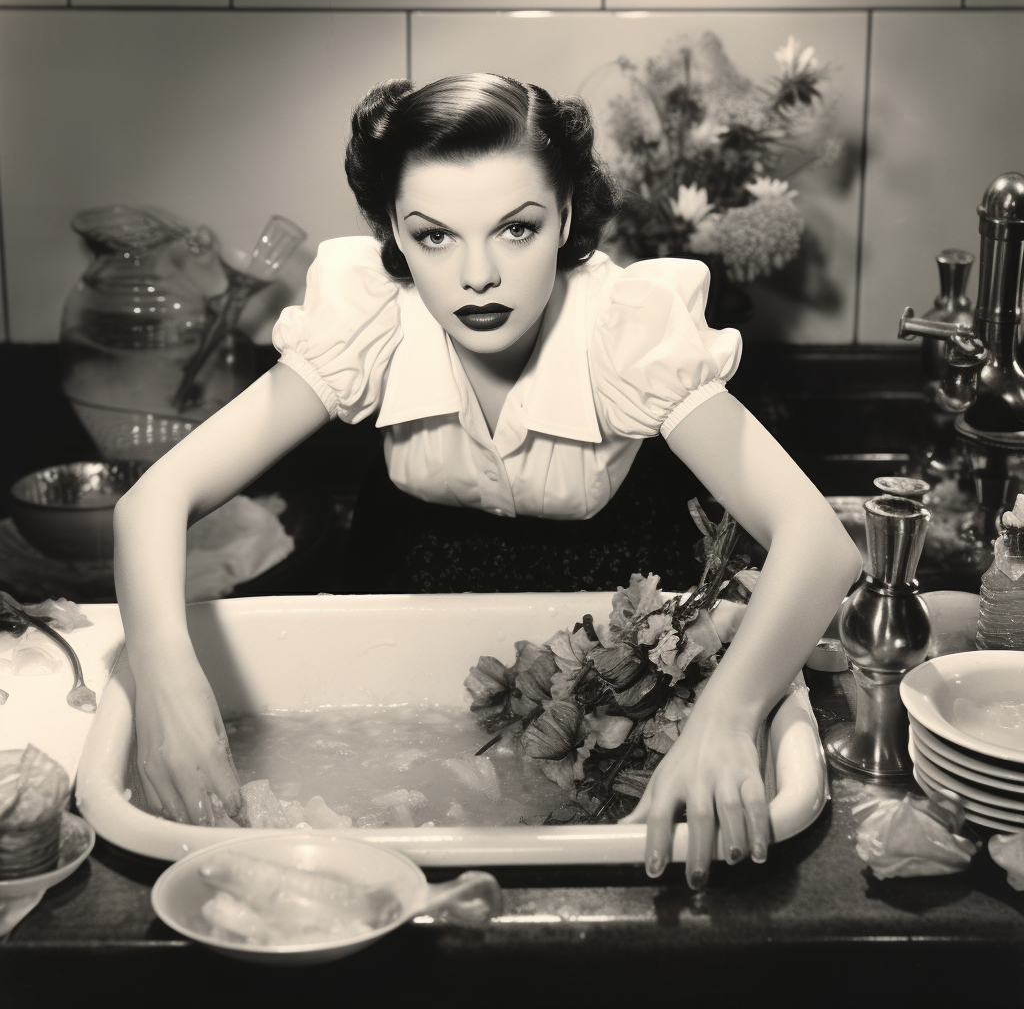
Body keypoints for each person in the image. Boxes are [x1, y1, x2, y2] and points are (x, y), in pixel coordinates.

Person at [114, 72, 863, 890]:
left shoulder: (625, 334)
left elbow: (818, 544)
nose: (477, 276)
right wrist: (160, 674)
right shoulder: (372, 324)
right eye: (433, 236)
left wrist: (727, 716)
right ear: (394, 236)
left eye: (516, 229)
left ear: (566, 216)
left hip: (607, 623)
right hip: (408, 597)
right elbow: (152, 500)